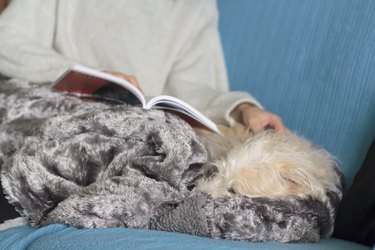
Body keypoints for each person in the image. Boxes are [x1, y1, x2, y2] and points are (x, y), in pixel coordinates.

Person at [0, 0, 287, 133]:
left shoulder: (196, 7)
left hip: (136, 133)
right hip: (53, 117)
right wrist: (87, 76)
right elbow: (6, 39)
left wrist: (242, 108)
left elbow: (193, 88)